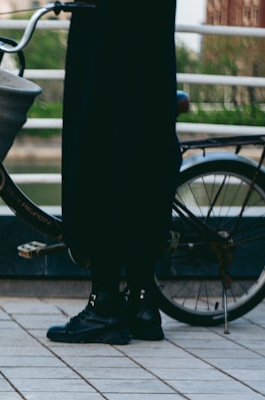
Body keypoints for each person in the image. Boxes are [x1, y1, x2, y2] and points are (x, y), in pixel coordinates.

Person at [47, 0, 182, 344]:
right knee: (145, 144)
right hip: (150, 25)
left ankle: (104, 304)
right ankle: (142, 302)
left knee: (99, 147)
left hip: (106, 18)